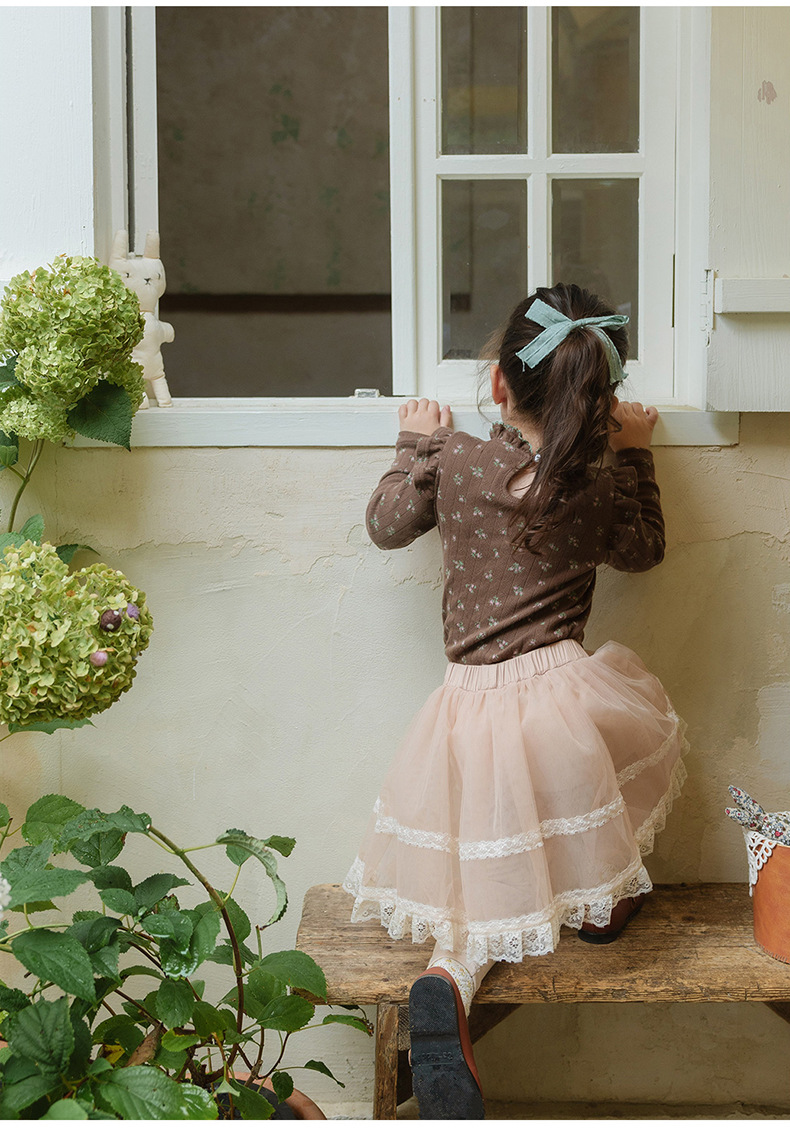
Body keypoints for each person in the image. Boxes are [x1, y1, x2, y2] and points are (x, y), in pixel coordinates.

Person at [343, 283, 687, 1120]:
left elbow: (386, 525)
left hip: (469, 713)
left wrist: (412, 443)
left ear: (498, 382)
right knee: (637, 754)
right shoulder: (596, 483)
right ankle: (601, 899)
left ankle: (449, 972)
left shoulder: (457, 461)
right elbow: (645, 550)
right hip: (566, 708)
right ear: (598, 396)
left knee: (481, 875)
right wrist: (637, 454)